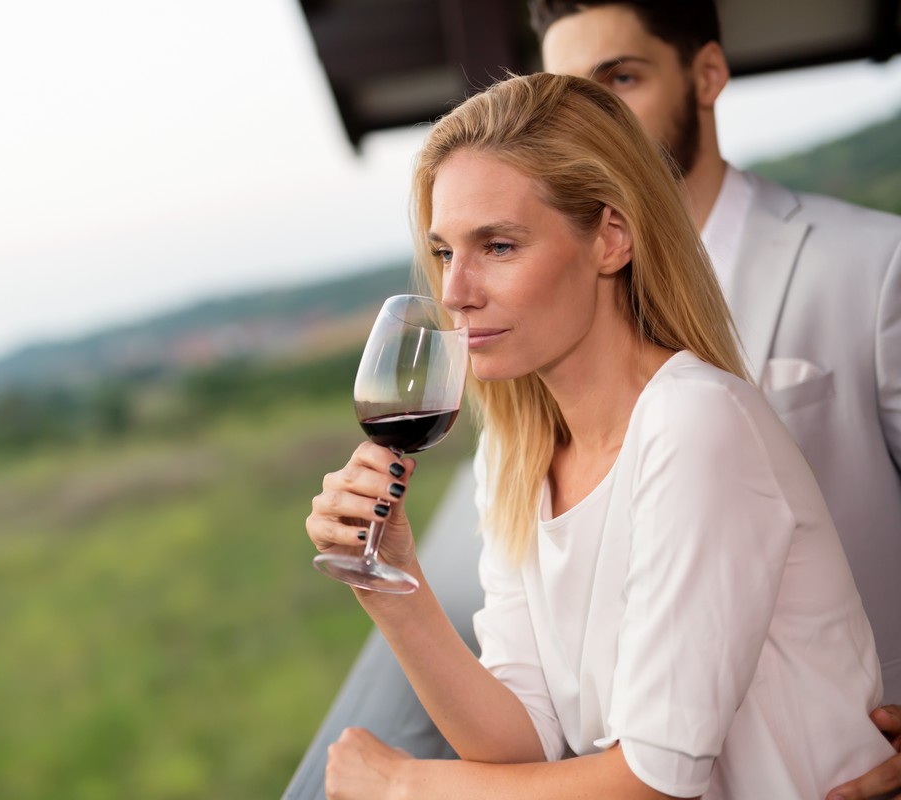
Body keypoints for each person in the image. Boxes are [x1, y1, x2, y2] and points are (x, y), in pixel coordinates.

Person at [306, 72, 893, 798]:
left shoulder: (695, 423)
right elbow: (524, 738)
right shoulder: (513, 456)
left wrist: (404, 786)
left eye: (498, 245)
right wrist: (391, 586)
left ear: (610, 238)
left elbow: (653, 779)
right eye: (446, 252)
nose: (455, 292)